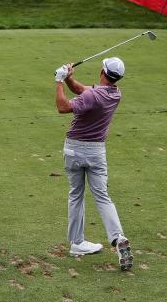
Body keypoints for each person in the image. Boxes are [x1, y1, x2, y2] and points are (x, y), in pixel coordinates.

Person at [53, 57, 133, 270]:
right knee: (102, 197)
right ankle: (117, 238)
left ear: (101, 71)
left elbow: (63, 107)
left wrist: (59, 81)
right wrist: (70, 78)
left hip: (74, 149)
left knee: (76, 195)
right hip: (97, 152)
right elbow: (83, 90)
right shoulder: (115, 94)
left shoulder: (92, 96)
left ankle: (77, 243)